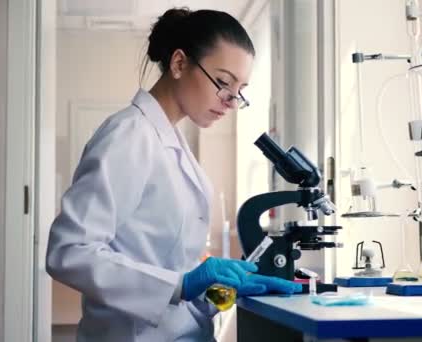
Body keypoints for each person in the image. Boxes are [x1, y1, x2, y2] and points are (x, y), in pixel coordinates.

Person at [46, 7, 301, 342]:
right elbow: (70, 251)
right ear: (179, 63)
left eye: (239, 90)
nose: (230, 101)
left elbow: (165, 263)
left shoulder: (170, 138)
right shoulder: (129, 134)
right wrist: (182, 284)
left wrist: (219, 291)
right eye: (223, 83)